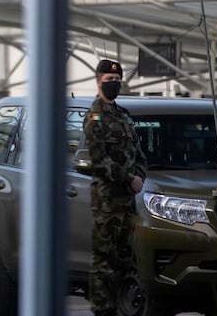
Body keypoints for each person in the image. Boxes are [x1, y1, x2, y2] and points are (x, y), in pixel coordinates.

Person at [83, 59, 147, 316]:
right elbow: (100, 159)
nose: (114, 84)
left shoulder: (124, 116)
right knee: (103, 260)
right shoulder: (94, 116)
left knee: (124, 259)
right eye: (109, 81)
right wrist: (128, 179)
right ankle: (102, 310)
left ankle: (121, 308)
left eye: (117, 80)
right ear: (99, 81)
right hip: (107, 201)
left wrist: (140, 175)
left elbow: (139, 154)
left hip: (127, 201)